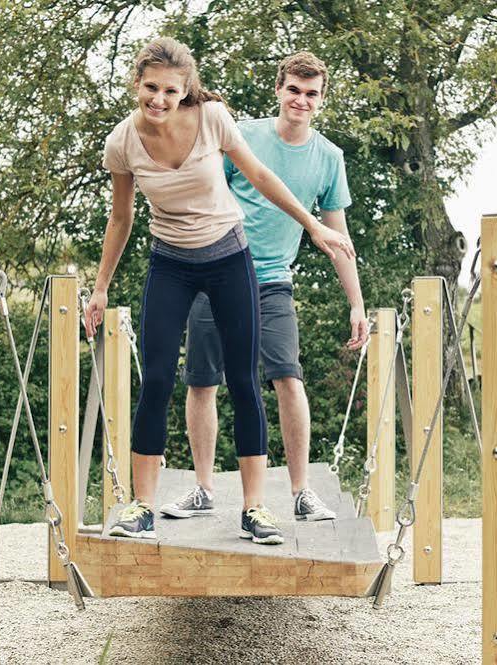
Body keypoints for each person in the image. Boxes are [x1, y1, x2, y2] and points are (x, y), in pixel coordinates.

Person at [84, 37, 355, 546]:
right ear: (136, 84)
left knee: (244, 379)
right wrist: (100, 288)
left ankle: (255, 510)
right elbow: (121, 219)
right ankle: (141, 506)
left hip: (229, 258)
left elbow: (260, 175)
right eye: (150, 88)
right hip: (170, 263)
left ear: (185, 90)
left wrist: (314, 227)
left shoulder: (212, 118)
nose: (158, 100)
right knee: (160, 378)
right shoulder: (122, 142)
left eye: (170, 90)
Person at [160, 51, 368, 523]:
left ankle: (300, 492)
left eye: (311, 93)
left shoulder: (328, 158)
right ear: (279, 90)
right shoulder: (245, 136)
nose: (301, 99)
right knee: (202, 381)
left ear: (321, 100)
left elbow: (338, 238)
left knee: (288, 379)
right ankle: (203, 489)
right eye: (293, 89)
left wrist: (356, 304)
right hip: (216, 273)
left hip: (274, 282)